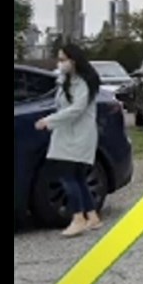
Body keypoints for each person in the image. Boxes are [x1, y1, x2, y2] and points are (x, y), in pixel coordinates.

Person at [34, 43, 103, 237]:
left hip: (78, 136)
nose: (60, 63)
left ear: (74, 60)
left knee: (66, 176)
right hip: (67, 135)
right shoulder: (66, 80)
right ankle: (92, 216)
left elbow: (76, 110)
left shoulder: (83, 83)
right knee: (78, 177)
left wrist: (49, 121)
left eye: (63, 59)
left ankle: (78, 218)